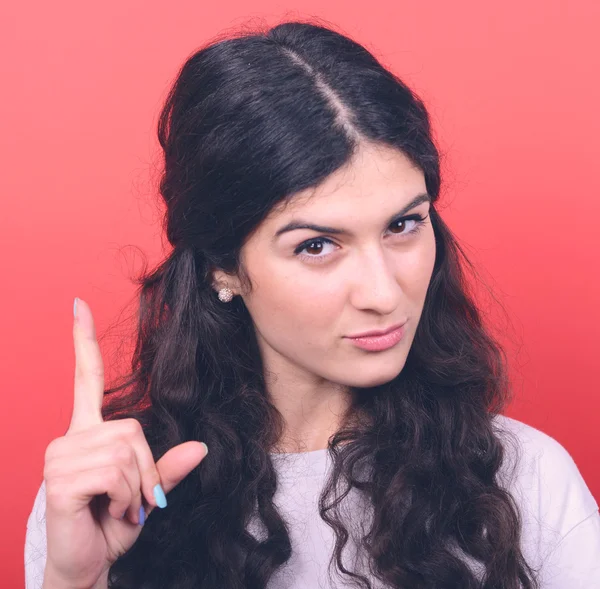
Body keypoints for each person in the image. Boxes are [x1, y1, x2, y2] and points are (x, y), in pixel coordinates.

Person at [24, 19, 599, 589]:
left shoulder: (524, 482)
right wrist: (75, 580)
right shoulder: (106, 495)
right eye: (317, 245)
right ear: (223, 265)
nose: (382, 293)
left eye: (403, 224)